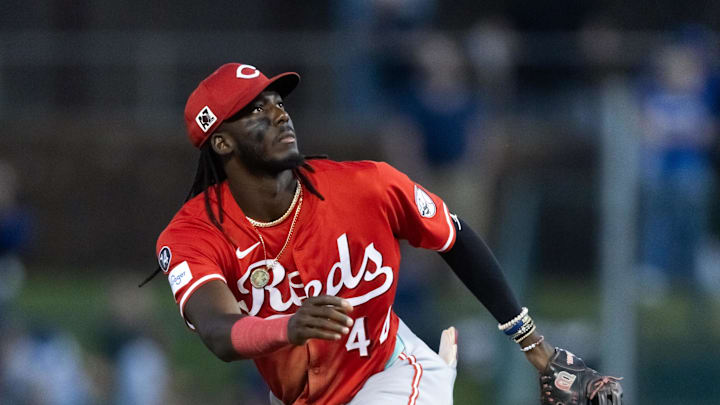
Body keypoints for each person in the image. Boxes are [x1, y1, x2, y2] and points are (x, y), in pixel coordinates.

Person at [149, 63, 601, 405]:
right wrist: (287, 327)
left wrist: (535, 347)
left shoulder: (366, 186)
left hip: (393, 372)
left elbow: (454, 236)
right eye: (256, 112)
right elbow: (216, 330)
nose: (280, 116)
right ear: (222, 142)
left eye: (279, 104)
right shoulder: (193, 234)